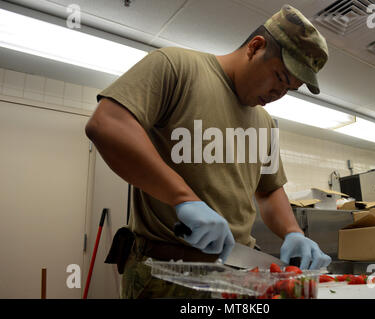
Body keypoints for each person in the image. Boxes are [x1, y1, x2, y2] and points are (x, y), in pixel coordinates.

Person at [85, 4, 331, 299]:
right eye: (280, 77)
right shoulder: (177, 66)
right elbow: (107, 124)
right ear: (255, 47)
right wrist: (183, 199)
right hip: (164, 274)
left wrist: (293, 232)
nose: (279, 94)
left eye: (290, 88)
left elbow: (268, 190)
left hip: (237, 274)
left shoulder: (265, 123)